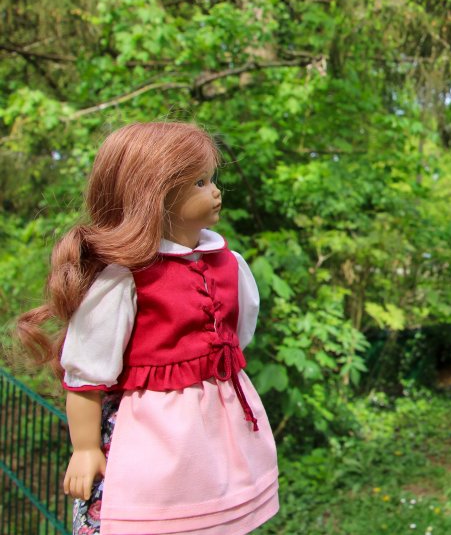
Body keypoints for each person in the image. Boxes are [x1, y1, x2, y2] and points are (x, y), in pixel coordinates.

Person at [15, 122, 279, 535]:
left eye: (211, 179)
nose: (215, 191)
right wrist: (85, 448)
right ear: (154, 196)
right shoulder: (125, 279)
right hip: (153, 434)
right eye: (198, 182)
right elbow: (85, 374)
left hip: (219, 426)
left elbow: (237, 339)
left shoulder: (230, 263)